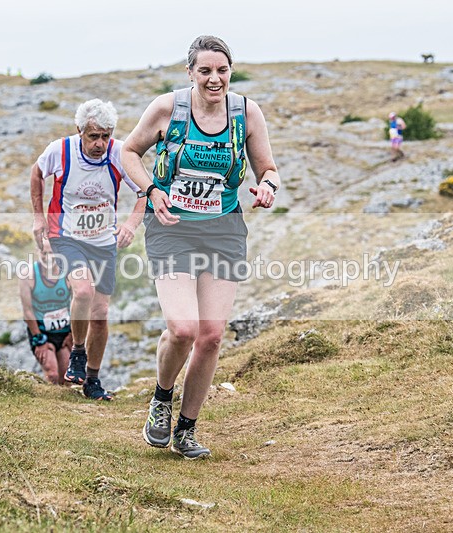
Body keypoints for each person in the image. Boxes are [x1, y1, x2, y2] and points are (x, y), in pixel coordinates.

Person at [121, 35, 280, 459]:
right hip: (172, 226)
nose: (215, 79)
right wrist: (152, 190)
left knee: (210, 336)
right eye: (205, 71)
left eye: (222, 70)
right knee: (183, 328)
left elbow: (268, 168)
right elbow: (128, 152)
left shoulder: (246, 112)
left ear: (231, 71)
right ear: (190, 72)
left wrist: (266, 187)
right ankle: (161, 399)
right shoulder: (166, 108)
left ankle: (186, 429)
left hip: (223, 229)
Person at [31, 99, 146, 400]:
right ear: (79, 131)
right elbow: (36, 174)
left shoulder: (121, 153)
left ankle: (92, 380)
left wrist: (131, 225)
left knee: (101, 313)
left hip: (103, 241)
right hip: (66, 236)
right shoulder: (60, 150)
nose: (100, 143)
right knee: (82, 290)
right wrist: (37, 218)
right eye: (93, 136)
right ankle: (78, 352)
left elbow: (146, 191)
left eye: (105, 136)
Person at [19, 238, 73, 385]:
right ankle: (51, 403)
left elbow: (78, 306)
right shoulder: (27, 275)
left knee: (67, 378)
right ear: (38, 251)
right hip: (42, 333)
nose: (48, 257)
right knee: (52, 374)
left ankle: (66, 407)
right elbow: (27, 312)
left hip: (64, 333)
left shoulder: (68, 272)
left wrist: (73, 334)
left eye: (52, 253)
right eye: (44, 253)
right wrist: (39, 340)